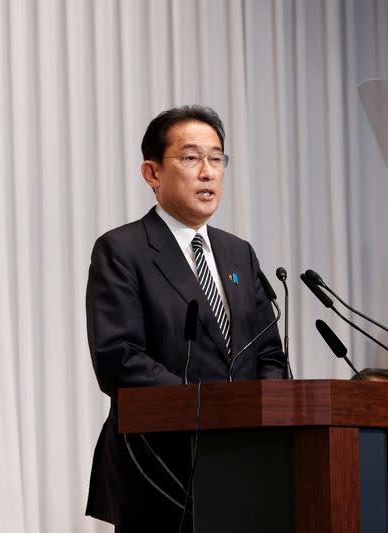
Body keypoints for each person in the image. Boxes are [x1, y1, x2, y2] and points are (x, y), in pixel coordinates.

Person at [85, 105, 287, 531]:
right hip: (160, 465)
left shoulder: (239, 253)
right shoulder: (123, 250)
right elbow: (119, 360)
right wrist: (212, 409)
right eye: (191, 158)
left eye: (217, 158)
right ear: (152, 173)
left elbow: (269, 351)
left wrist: (259, 415)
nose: (208, 172)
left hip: (243, 461)